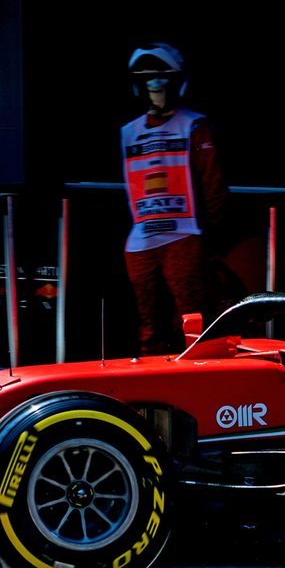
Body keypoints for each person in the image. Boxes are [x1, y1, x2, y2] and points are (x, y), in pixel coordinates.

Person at [120, 42, 230, 356]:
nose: (155, 85)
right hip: (142, 240)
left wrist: (213, 239)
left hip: (185, 235)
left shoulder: (195, 125)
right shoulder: (128, 132)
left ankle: (197, 373)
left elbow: (214, 186)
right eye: (147, 79)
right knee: (148, 320)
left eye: (162, 77)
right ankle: (149, 378)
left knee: (191, 315)